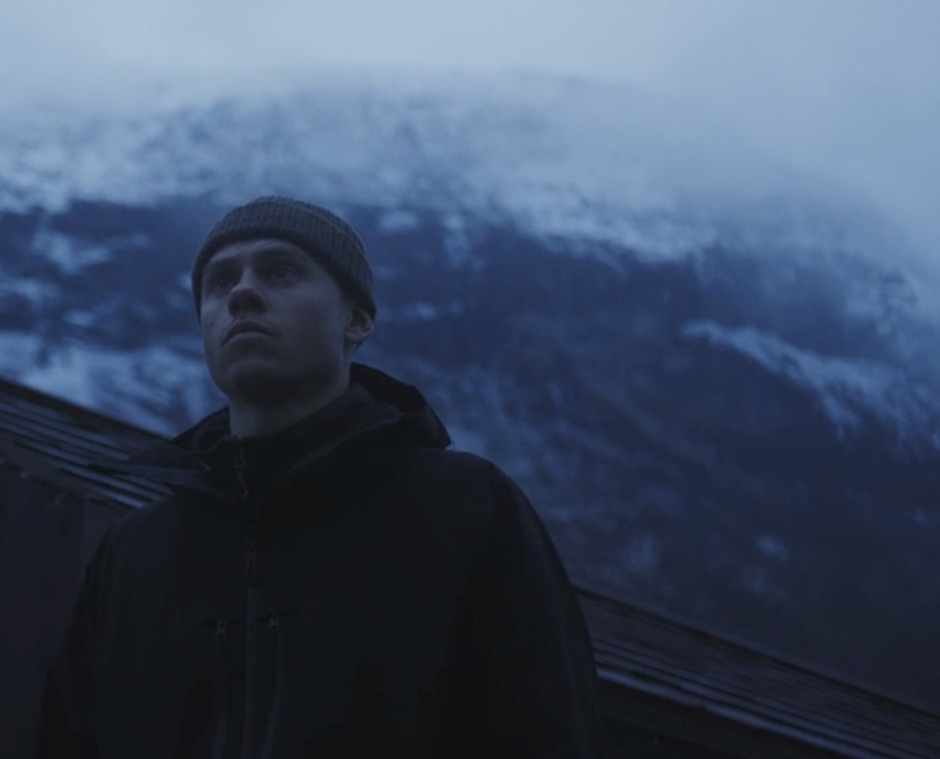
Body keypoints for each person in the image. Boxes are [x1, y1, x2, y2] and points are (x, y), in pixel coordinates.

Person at [34, 196, 607, 759]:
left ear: (355, 319)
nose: (242, 293)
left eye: (280, 271)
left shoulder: (464, 510)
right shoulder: (134, 555)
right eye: (220, 281)